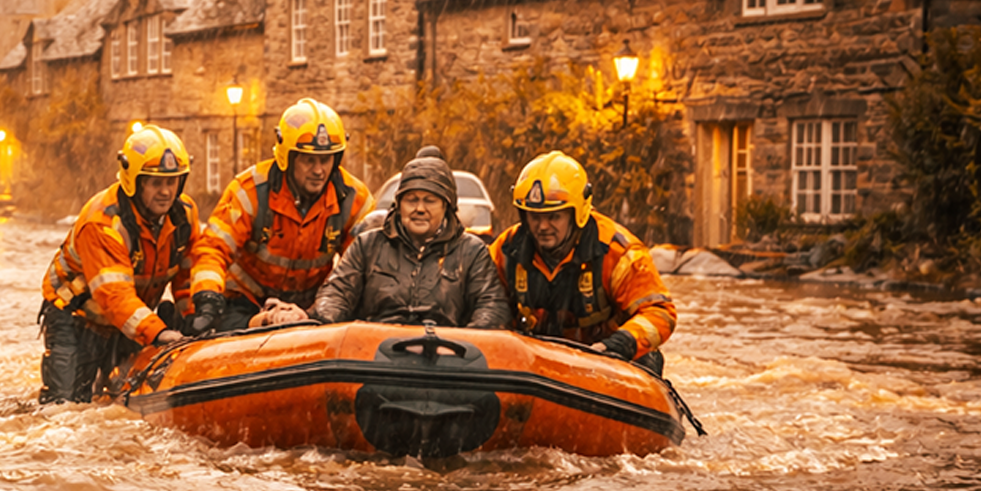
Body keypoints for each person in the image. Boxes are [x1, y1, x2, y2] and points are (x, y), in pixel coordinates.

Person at [38, 124, 201, 403]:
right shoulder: (102, 222)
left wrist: (199, 320)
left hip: (131, 318)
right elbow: (114, 295)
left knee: (120, 397)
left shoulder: (184, 216)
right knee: (66, 405)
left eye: (172, 182)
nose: (165, 192)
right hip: (76, 319)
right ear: (134, 182)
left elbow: (188, 279)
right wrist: (158, 332)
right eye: (155, 183)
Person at [187, 98, 374, 333]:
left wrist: (323, 310)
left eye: (326, 160)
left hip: (312, 309)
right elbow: (212, 249)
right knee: (228, 325)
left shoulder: (354, 200)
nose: (319, 170)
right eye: (309, 160)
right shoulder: (249, 192)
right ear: (288, 157)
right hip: (246, 303)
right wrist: (208, 299)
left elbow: (364, 266)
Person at [489, 150, 676, 375]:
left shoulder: (618, 252)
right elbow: (481, 302)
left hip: (606, 363)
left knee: (647, 361)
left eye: (554, 216)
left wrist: (619, 344)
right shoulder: (507, 250)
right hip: (534, 361)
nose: (543, 226)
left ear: (577, 213)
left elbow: (659, 312)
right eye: (535, 217)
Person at [311, 146, 510, 328]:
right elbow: (335, 294)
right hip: (375, 350)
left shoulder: (472, 252)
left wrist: (467, 343)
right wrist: (326, 317)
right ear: (399, 205)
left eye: (430, 201)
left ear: (446, 206)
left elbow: (492, 307)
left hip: (447, 351)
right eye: (411, 200)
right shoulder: (367, 246)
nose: (420, 209)